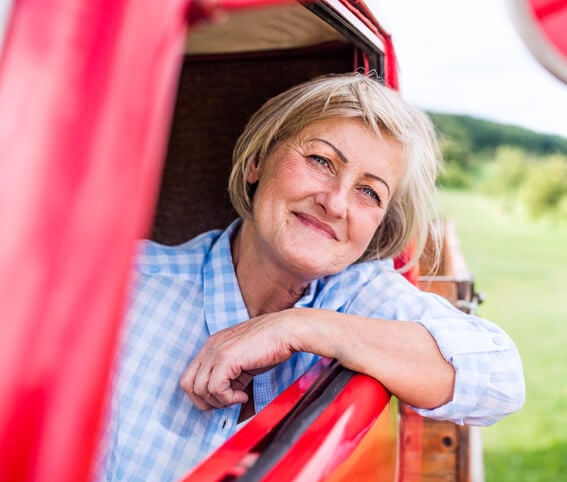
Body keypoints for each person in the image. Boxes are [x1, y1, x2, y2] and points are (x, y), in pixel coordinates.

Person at [95, 73, 525, 482]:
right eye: (321, 160)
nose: (336, 203)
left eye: (369, 192)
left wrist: (300, 327)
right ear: (257, 162)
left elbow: (499, 380)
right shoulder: (127, 284)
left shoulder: (357, 294)